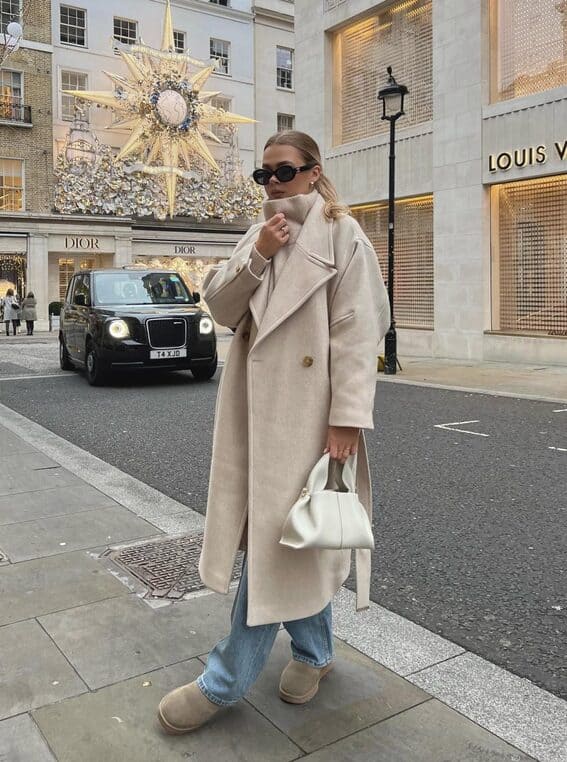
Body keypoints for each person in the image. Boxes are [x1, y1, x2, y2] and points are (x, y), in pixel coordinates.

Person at [157, 130, 390, 734]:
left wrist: (345, 420)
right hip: (255, 415)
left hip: (310, 419)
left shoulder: (343, 235)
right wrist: (258, 253)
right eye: (264, 175)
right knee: (291, 540)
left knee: (275, 546)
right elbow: (219, 306)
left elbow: (360, 333)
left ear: (313, 172)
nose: (273, 185)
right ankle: (315, 652)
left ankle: (222, 682)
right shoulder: (259, 232)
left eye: (284, 172)